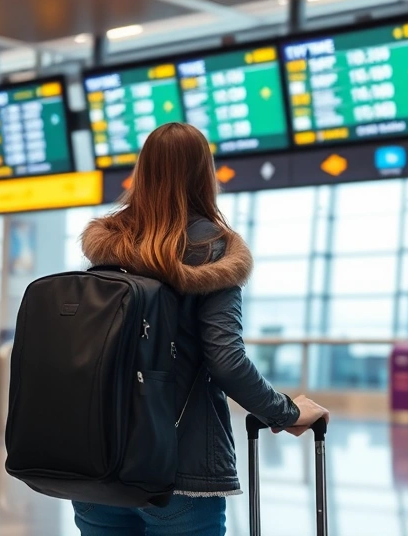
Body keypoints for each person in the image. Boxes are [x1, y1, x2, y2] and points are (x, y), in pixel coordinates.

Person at [78, 122, 329, 535]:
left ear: (142, 171)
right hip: (180, 468)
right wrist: (285, 412)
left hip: (97, 461)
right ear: (203, 173)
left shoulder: (110, 244)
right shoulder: (213, 249)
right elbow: (225, 359)